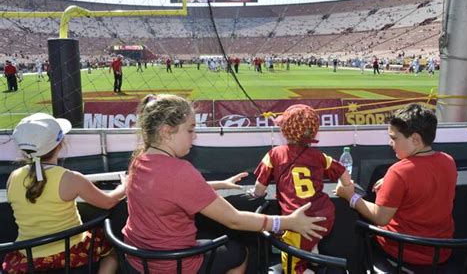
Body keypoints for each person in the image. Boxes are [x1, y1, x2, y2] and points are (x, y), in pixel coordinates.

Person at [122, 94, 328, 274]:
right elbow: (235, 220)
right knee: (238, 252)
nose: (194, 136)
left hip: (137, 261)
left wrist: (220, 184)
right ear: (167, 132)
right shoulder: (181, 171)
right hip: (173, 265)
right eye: (190, 130)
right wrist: (287, 222)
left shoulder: (139, 160)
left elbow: (169, 191)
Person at [2, 113, 127, 273]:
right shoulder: (70, 178)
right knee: (113, 253)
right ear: (60, 143)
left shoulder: (13, 177)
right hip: (71, 253)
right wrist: (124, 186)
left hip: (27, 257)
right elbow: (108, 201)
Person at [335, 103, 457, 266]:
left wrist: (350, 196)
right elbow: (424, 178)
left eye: (394, 138)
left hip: (400, 252)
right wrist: (392, 180)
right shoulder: (448, 161)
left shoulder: (399, 172)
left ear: (415, 139)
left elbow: (380, 217)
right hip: (442, 253)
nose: (390, 143)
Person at [250, 104, 351, 273]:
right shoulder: (319, 156)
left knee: (291, 266)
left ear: (285, 130)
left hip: (299, 221)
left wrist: (255, 194)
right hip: (325, 215)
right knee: (308, 242)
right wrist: (346, 187)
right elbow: (342, 171)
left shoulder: (274, 154)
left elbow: (259, 189)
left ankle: (307, 266)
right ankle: (313, 249)